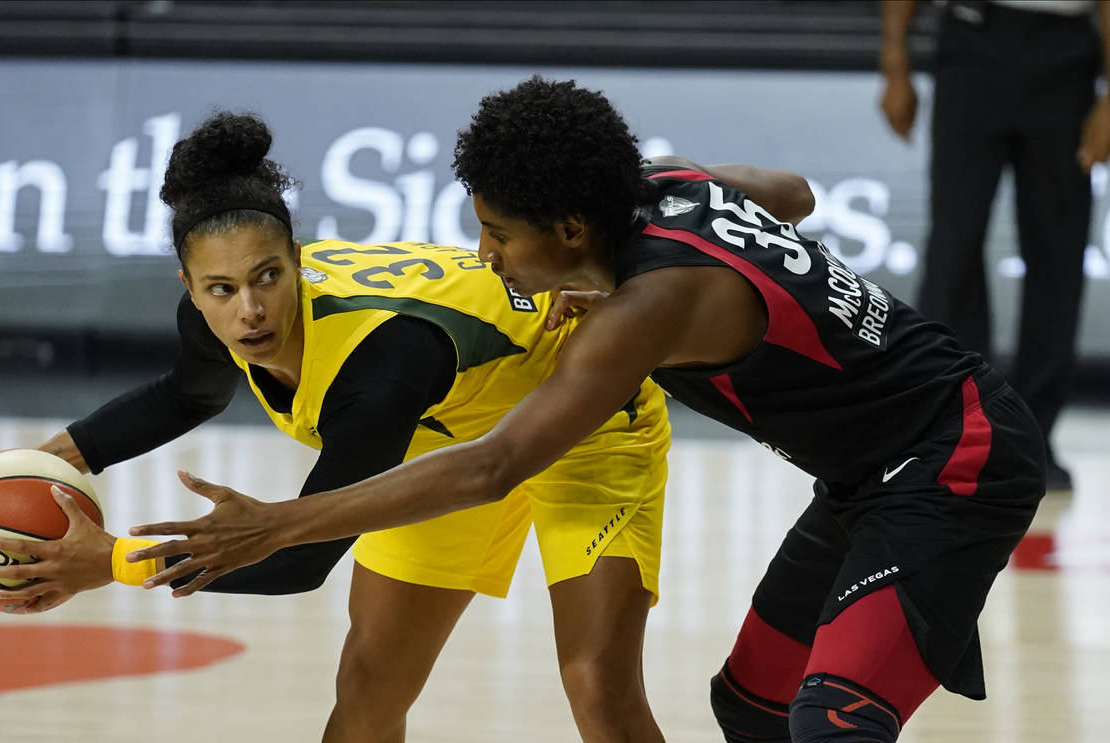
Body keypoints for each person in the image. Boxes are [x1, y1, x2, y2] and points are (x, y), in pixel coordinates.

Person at [128, 78, 1047, 743]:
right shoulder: (665, 189)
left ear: (569, 229)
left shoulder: (648, 307)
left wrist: (278, 524)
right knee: (752, 707)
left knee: (832, 722)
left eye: (497, 231)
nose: (483, 253)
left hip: (952, 456)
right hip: (865, 473)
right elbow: (795, 194)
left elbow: (492, 466)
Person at [0, 111, 674, 742]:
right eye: (221, 290)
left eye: (267, 278)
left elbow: (299, 558)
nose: (249, 310)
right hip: (445, 439)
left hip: (586, 422)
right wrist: (42, 461)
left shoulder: (381, 365)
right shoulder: (221, 320)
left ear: (297, 262)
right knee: (369, 686)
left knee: (597, 691)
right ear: (190, 289)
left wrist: (112, 561)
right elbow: (185, 396)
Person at [879, 0, 1110, 492]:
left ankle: (1031, 440)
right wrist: (895, 63)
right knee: (953, 245)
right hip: (973, 39)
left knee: (1058, 251)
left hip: (1066, 53)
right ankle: (949, 428)